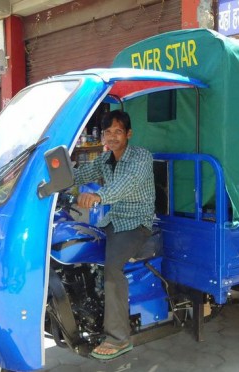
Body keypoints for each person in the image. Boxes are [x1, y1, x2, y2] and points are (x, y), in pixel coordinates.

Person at [73, 110, 155, 360]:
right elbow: (80, 174)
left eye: (118, 131)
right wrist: (50, 180)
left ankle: (119, 338)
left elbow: (126, 184)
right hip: (112, 221)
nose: (112, 137)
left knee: (112, 270)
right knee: (76, 248)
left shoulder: (141, 157)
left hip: (136, 224)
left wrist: (98, 196)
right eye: (108, 132)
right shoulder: (105, 158)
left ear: (128, 134)